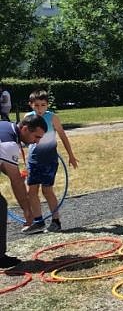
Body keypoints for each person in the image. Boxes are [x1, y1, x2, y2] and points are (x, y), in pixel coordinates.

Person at [21, 90, 79, 234]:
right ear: (31, 105)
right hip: (33, 160)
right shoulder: (28, 118)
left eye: (43, 105)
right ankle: (38, 221)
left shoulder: (52, 117)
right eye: (36, 105)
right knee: (31, 191)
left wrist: (71, 155)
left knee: (47, 190)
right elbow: (22, 138)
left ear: (47, 105)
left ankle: (56, 221)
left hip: (49, 160)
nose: (40, 109)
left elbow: (63, 136)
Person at [0, 114, 47, 267]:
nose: (37, 141)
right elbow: (16, 182)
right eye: (36, 136)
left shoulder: (6, 126)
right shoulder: (10, 144)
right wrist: (27, 210)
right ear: (25, 129)